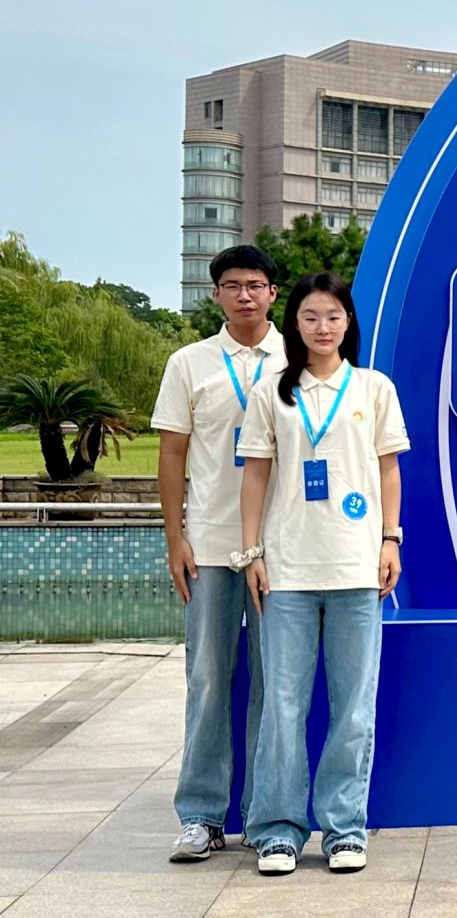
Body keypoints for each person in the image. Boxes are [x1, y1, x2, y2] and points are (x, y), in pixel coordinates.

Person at [233, 273, 407, 876]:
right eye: (310, 317)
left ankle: (344, 829)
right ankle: (278, 831)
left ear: (347, 322)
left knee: (354, 706)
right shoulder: (272, 393)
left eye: (333, 316)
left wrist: (390, 539)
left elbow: (388, 470)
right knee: (282, 705)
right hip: (287, 570)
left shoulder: (373, 388)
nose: (322, 327)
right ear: (295, 323)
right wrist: (252, 553)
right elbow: (255, 475)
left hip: (358, 567)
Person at [153, 245, 283, 862]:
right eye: (233, 285)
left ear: (273, 293)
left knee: (273, 680)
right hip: (208, 543)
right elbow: (172, 454)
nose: (245, 295)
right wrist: (174, 537)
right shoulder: (189, 363)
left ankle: (262, 815)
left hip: (280, 548)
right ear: (216, 295)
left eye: (255, 284)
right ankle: (201, 816)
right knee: (206, 677)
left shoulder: (300, 361)